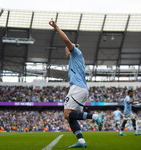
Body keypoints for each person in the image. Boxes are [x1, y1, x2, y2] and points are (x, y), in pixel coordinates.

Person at [49, 18, 103, 148]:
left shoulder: (76, 53)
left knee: (67, 114)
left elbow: (67, 41)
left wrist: (56, 27)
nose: (66, 50)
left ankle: (95, 116)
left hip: (78, 88)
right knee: (70, 117)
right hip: (80, 89)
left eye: (67, 49)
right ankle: (81, 141)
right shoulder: (75, 59)